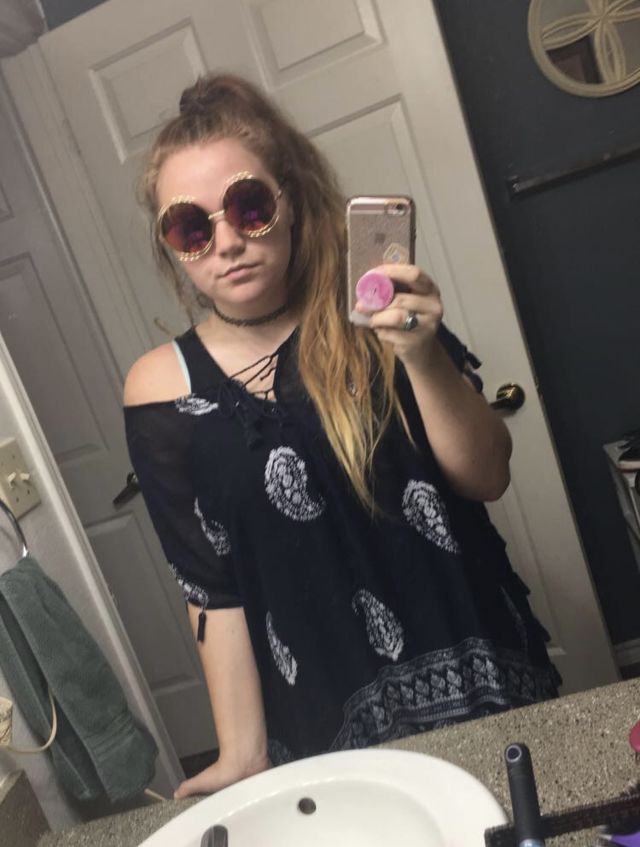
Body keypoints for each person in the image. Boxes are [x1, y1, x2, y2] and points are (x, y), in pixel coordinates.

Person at [124, 73, 560, 799]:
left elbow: (488, 475)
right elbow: (211, 586)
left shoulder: (376, 313)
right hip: (324, 723)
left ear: (289, 201)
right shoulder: (160, 389)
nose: (226, 242)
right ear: (173, 247)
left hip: (479, 672)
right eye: (191, 227)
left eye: (249, 207)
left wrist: (421, 354)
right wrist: (241, 754)